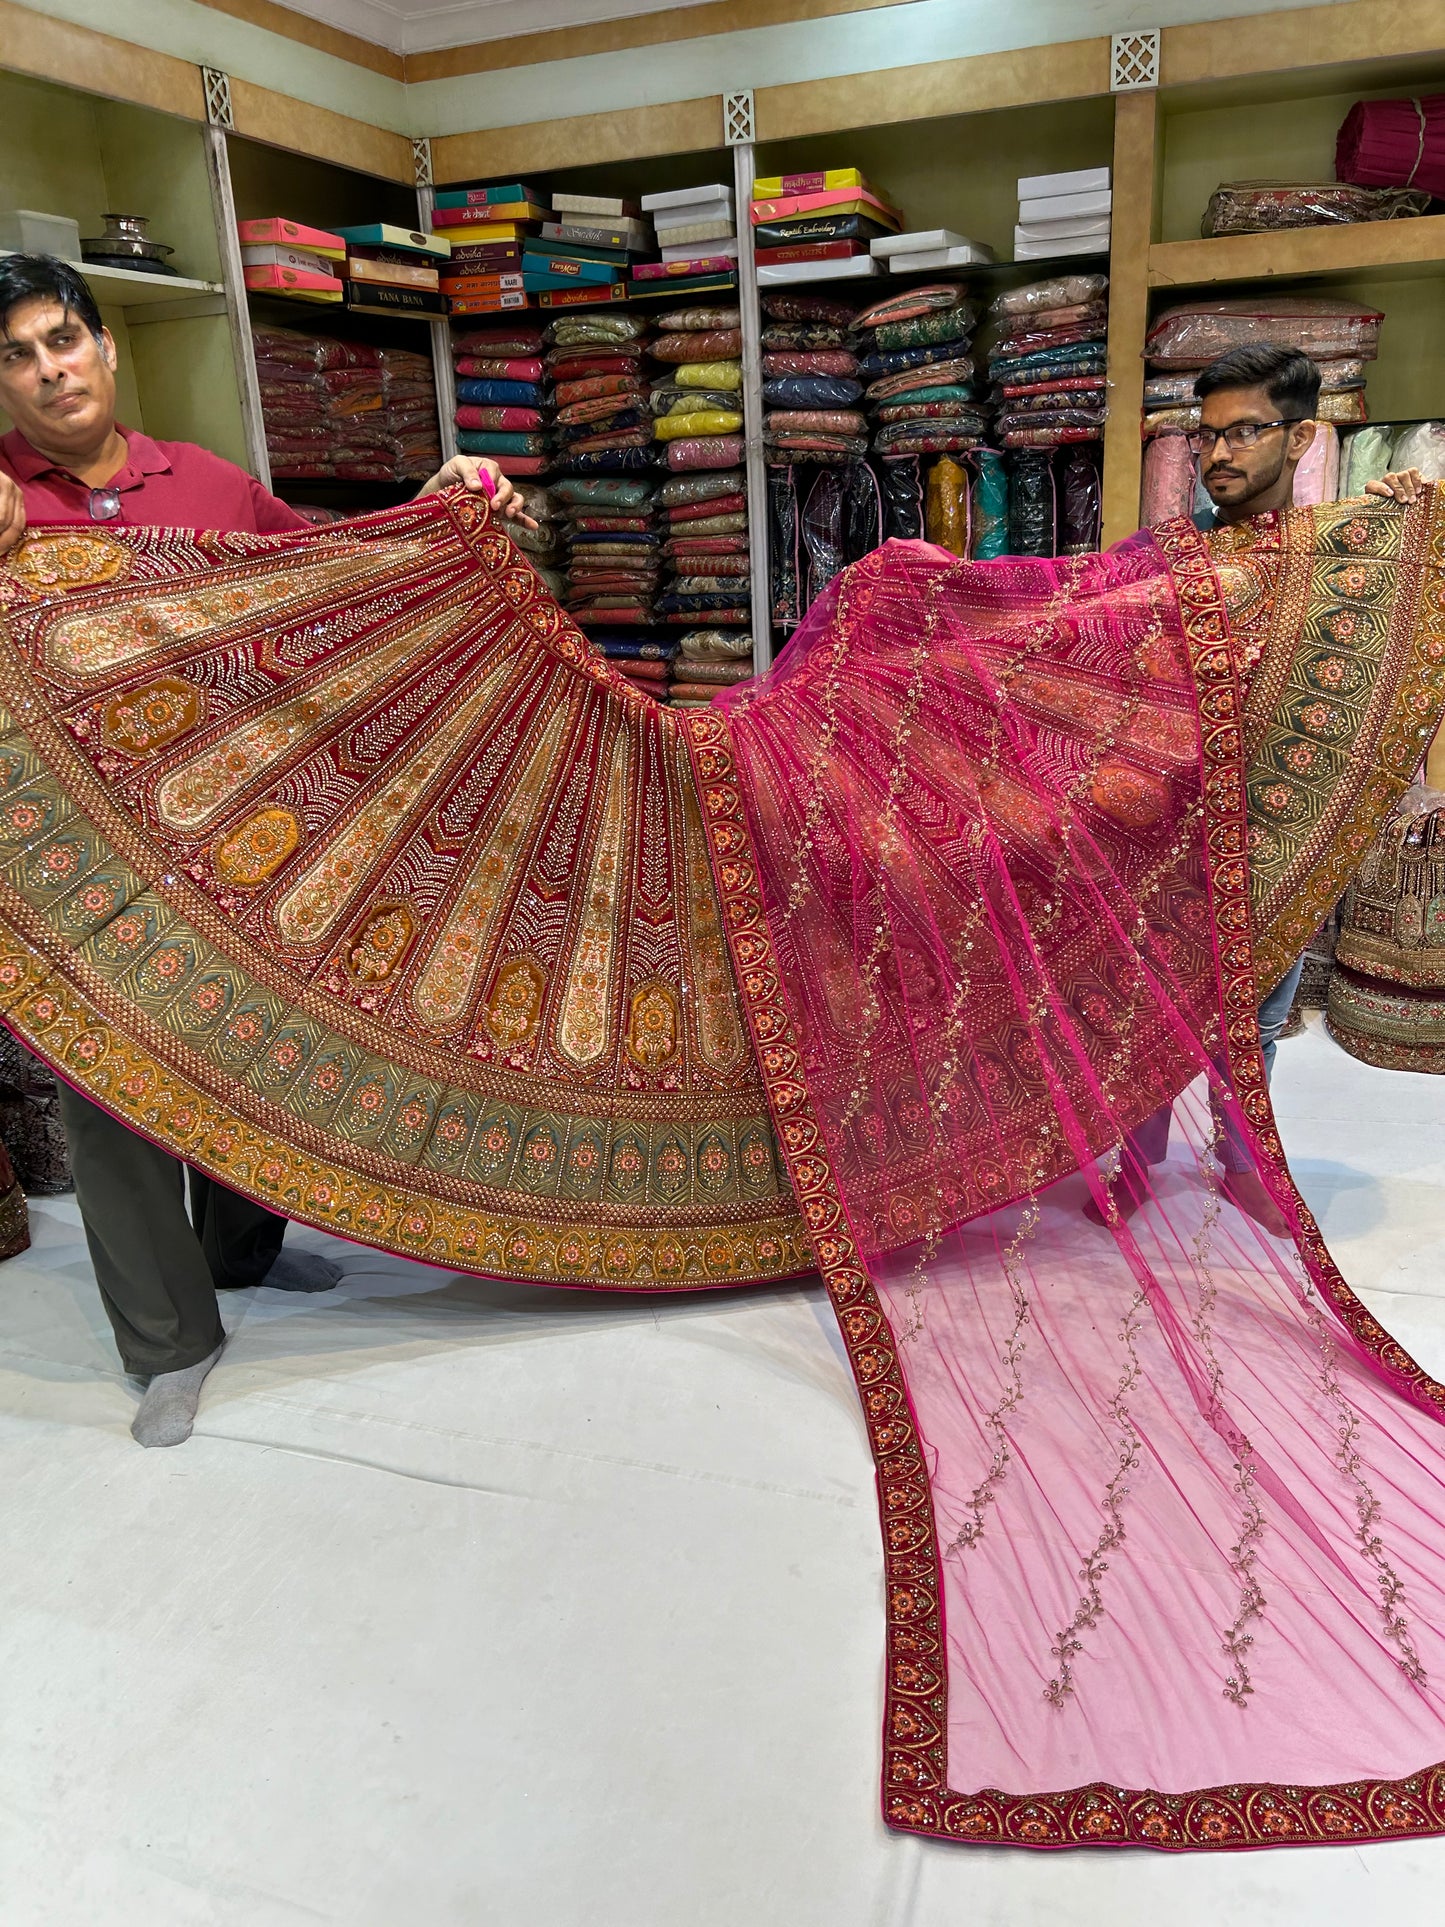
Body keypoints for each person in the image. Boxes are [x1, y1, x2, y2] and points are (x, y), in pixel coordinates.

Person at [0, 251, 533, 1446]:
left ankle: (238, 1254)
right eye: (17, 356)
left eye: (62, 341)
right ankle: (169, 1345)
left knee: (250, 1044)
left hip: (231, 837)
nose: (48, 372)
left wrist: (446, 508)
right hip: (76, 863)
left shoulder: (206, 481)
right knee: (105, 1087)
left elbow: (332, 582)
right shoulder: (1, 505)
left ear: (106, 346)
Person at [1088, 341, 1422, 1231]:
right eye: (1205, 436)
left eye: (1243, 431)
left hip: (1280, 827)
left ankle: (1244, 1163)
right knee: (1149, 1003)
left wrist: (1413, 519)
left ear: (1301, 435)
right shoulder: (1165, 557)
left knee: (1259, 1018)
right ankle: (1140, 1153)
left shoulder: (1340, 549)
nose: (1219, 454)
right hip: (1165, 823)